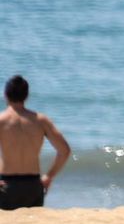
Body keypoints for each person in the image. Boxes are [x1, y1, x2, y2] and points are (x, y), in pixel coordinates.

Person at [0, 76, 71, 210]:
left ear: (5, 95)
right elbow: (64, 151)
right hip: (33, 186)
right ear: (26, 96)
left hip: (7, 185)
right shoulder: (40, 121)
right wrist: (49, 176)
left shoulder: (1, 120)